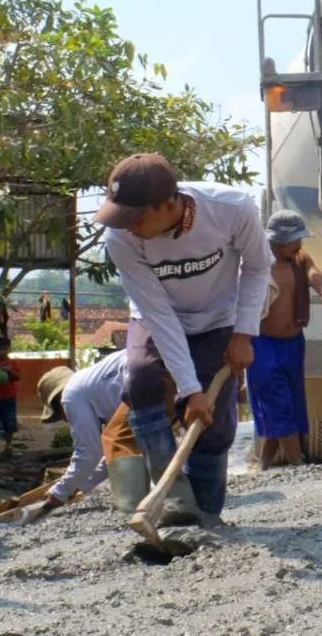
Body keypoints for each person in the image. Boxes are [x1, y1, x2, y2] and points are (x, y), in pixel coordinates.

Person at [98, 153, 272, 526]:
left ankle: (207, 513)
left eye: (136, 217)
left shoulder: (231, 209)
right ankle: (174, 497)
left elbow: (258, 267)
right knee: (141, 379)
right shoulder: (121, 239)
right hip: (158, 316)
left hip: (219, 318)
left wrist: (244, 333)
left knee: (215, 421)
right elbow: (158, 314)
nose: (127, 227)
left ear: (168, 203)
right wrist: (189, 389)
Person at [250, 210, 322, 470]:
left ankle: (264, 464)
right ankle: (297, 462)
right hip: (263, 345)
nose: (300, 245)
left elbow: (314, 274)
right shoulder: (257, 264)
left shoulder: (299, 259)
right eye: (295, 240)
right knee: (277, 402)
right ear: (278, 241)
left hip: (293, 344)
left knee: (291, 402)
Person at [21, 350, 150, 522]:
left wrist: (60, 492)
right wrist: (78, 485)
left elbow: (89, 453)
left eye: (60, 415)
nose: (65, 419)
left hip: (143, 374)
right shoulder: (96, 390)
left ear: (58, 402)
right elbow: (112, 454)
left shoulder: (71, 395)